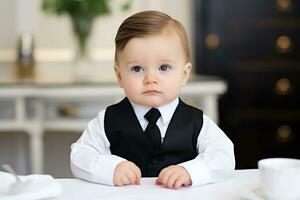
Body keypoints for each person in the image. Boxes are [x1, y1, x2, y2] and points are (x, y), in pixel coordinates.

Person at [70, 10, 235, 189]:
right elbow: (80, 155)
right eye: (137, 69)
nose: (150, 78)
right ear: (119, 76)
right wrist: (110, 168)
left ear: (184, 74)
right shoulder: (107, 120)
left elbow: (223, 155)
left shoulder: (197, 122)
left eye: (164, 67)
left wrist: (191, 171)